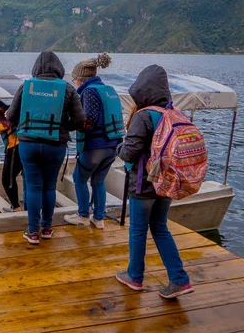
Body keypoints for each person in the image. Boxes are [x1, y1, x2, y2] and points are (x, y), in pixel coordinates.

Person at [115, 64, 194, 299]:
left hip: (143, 185)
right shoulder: (174, 113)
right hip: (167, 183)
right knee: (160, 227)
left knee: (138, 230)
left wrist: (119, 146)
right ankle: (179, 279)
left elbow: (130, 152)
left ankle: (135, 276)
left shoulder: (144, 115)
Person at [7, 51, 85, 244]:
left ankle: (33, 232)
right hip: (55, 145)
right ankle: (47, 228)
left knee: (33, 187)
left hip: (28, 145)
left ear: (36, 69)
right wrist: (62, 128)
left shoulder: (25, 87)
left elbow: (10, 116)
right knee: (49, 187)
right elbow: (79, 120)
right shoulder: (67, 89)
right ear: (59, 68)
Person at [64, 54, 123, 229]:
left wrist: (68, 125)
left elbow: (88, 119)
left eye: (75, 78)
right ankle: (98, 219)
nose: (74, 82)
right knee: (98, 181)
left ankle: (82, 215)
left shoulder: (89, 92)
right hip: (113, 145)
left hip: (95, 146)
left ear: (81, 78)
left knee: (79, 178)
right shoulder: (108, 90)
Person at [0, 100, 22, 212]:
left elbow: (7, 124)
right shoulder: (11, 109)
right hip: (27, 145)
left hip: (15, 147)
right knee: (27, 177)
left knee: (7, 179)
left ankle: (16, 208)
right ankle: (28, 206)